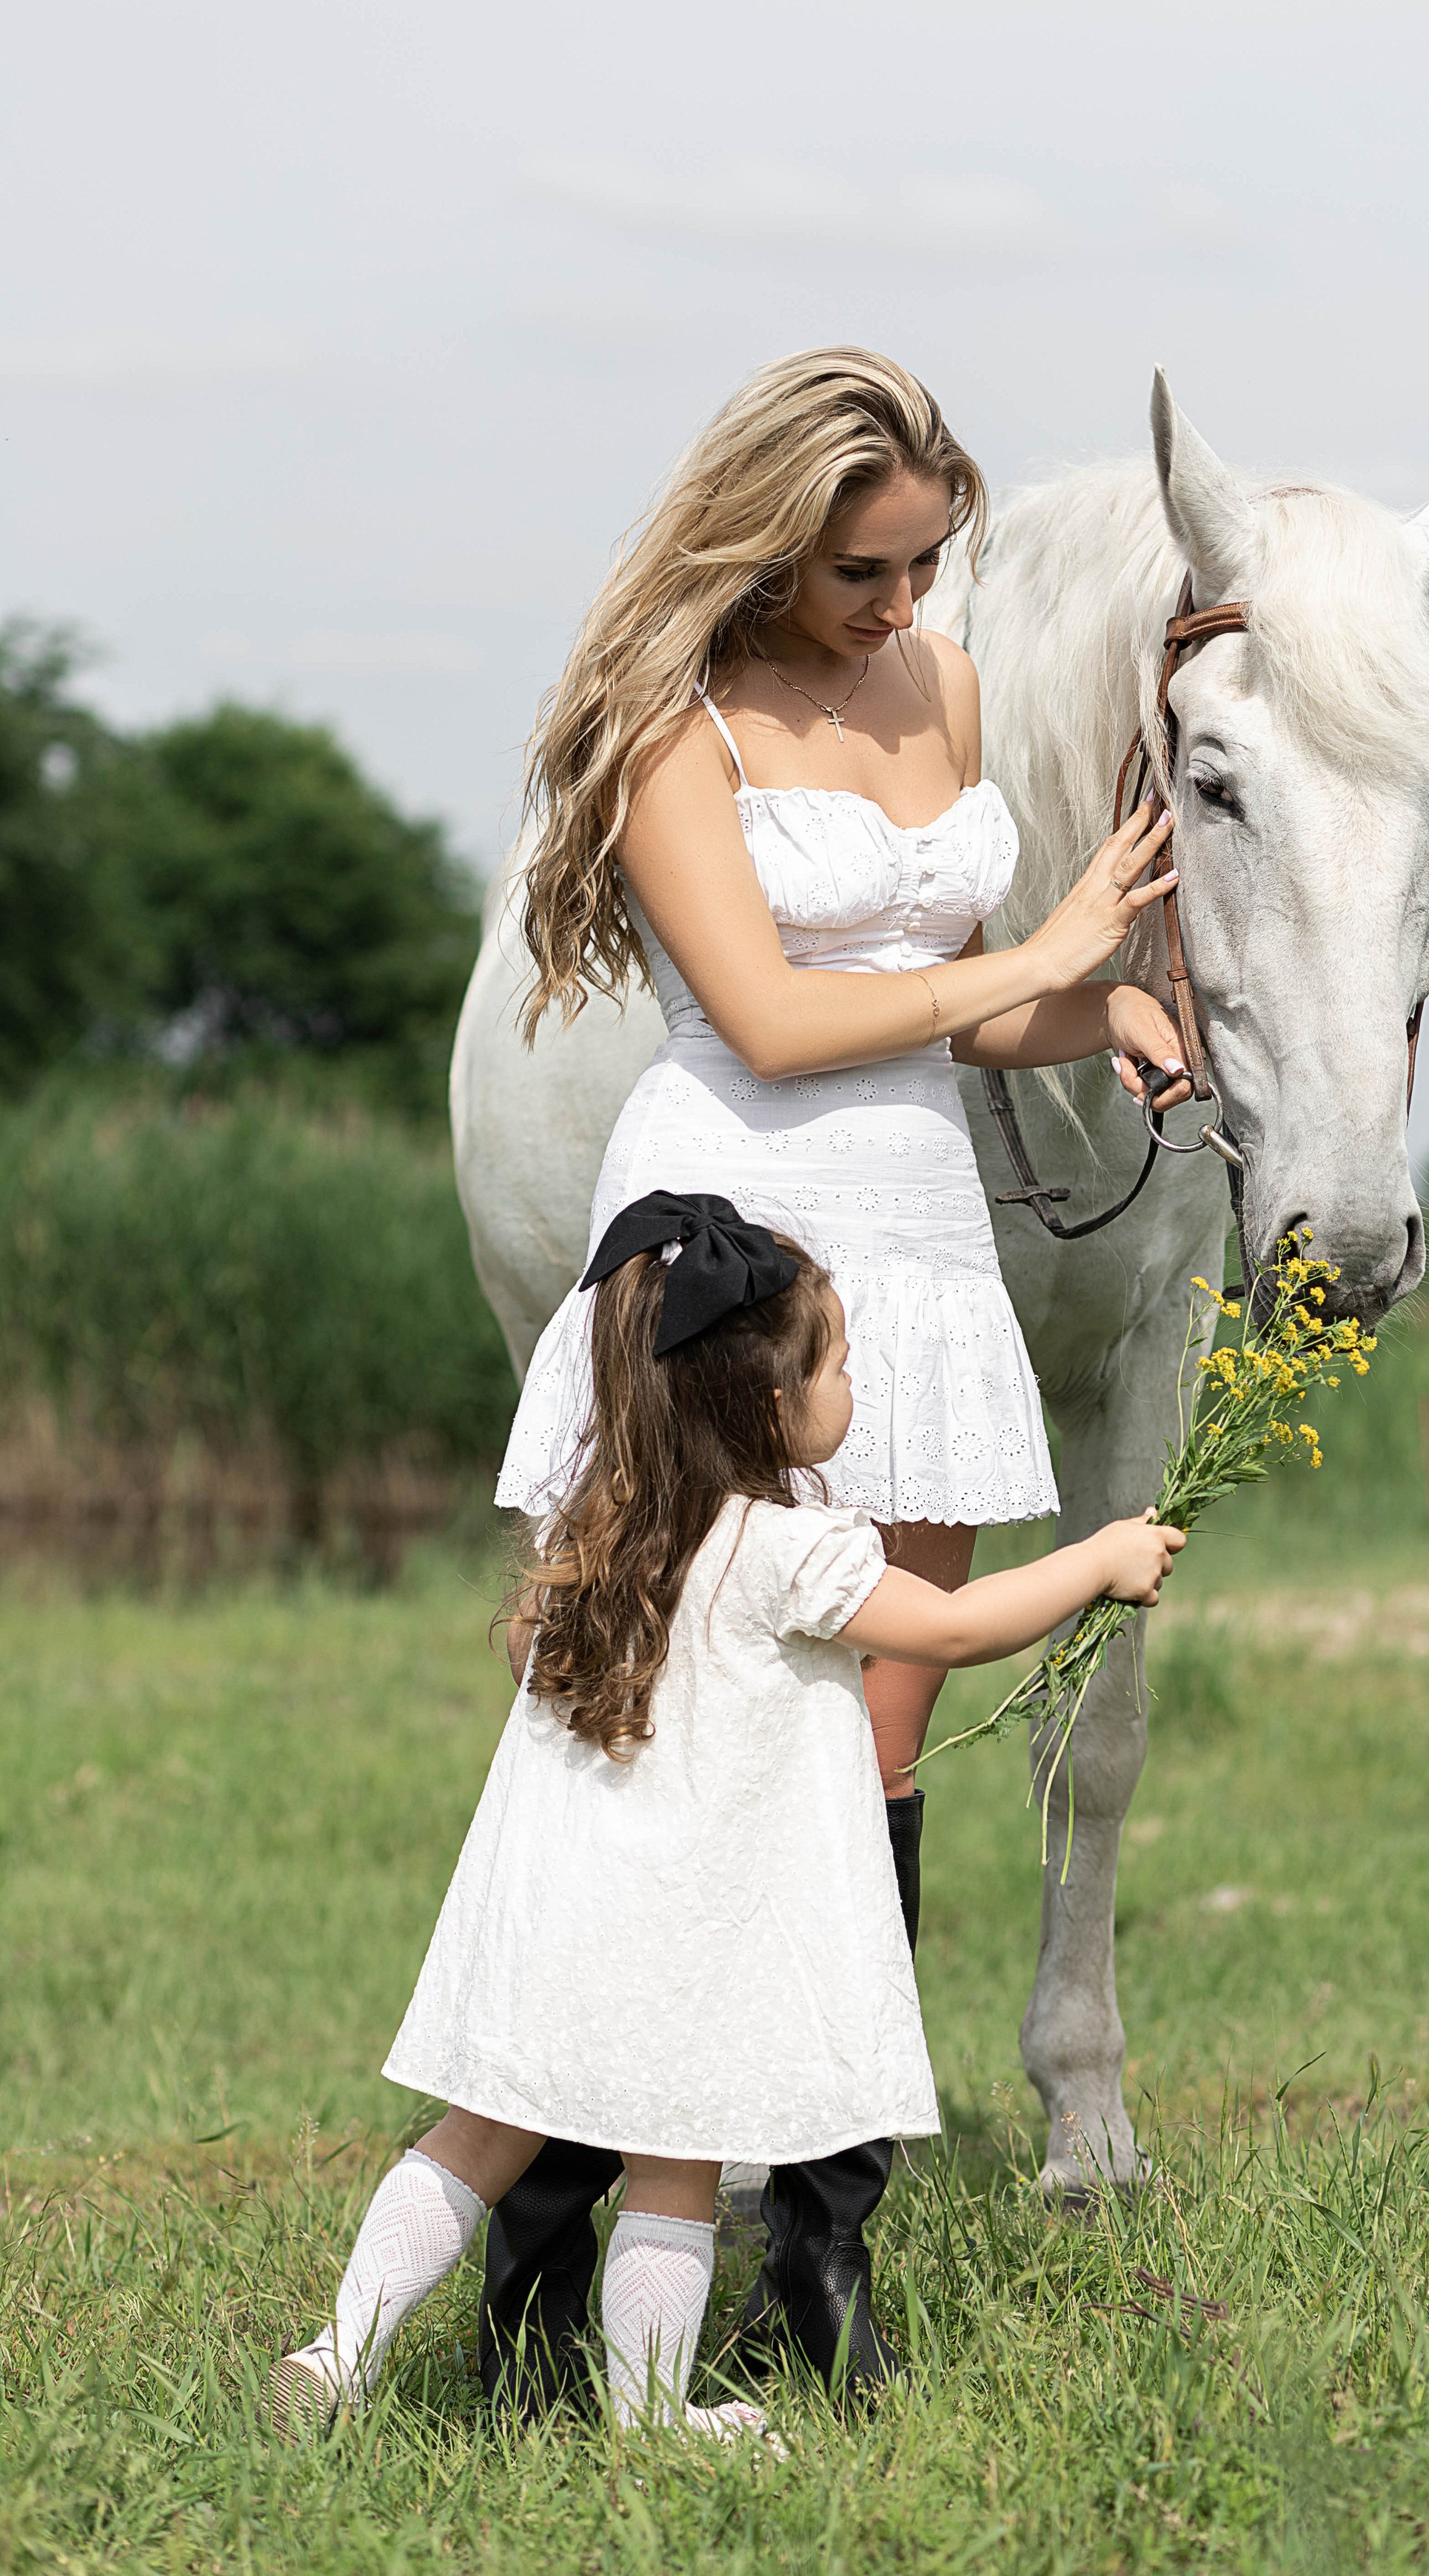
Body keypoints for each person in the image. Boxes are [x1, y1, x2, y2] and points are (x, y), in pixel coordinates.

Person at [483, 347, 1191, 2402]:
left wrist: (1097, 1016)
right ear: (767, 544)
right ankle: (541, 2273)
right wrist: (1052, 951)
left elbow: (931, 1012)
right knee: (664, 1752)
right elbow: (782, 1022)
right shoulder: (672, 725)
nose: (904, 608)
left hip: (916, 1250)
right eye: (865, 573)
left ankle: (818, 2262)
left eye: (927, 565)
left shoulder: (935, 687)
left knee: (865, 1768)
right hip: (732, 1252)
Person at [271, 1199, 1185, 2440]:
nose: (854, 1383)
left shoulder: (592, 1528)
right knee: (676, 2171)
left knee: (475, 2138)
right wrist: (1101, 1559)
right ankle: (649, 2419)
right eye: (838, 1363)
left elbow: (540, 1670)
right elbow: (957, 1626)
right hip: (688, 1939)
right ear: (769, 1403)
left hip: (557, 1925)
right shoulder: (789, 1552)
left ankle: (338, 2356)